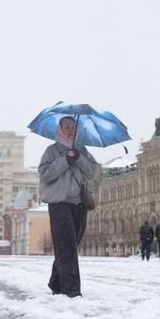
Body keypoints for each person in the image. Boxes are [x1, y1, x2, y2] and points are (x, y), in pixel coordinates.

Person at [39, 116, 99, 298]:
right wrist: (66, 160)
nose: (70, 130)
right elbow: (45, 174)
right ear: (60, 130)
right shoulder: (52, 151)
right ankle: (71, 289)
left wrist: (78, 158)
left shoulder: (82, 150)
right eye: (66, 127)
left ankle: (56, 282)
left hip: (79, 204)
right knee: (66, 246)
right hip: (59, 204)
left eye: (73, 127)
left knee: (70, 245)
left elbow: (94, 171)